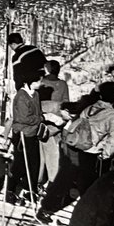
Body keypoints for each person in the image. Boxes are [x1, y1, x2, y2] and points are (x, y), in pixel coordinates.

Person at [37, 82, 114, 222]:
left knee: (65, 179)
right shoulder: (113, 116)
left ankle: (46, 209)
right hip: (90, 153)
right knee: (88, 187)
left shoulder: (90, 107)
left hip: (73, 147)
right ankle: (87, 219)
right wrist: (105, 154)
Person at [4, 49, 46, 204]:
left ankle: (30, 189)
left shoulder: (36, 94)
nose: (41, 83)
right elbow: (23, 118)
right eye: (39, 81)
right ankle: (10, 190)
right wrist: (39, 119)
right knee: (20, 164)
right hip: (22, 134)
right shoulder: (21, 96)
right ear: (31, 82)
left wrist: (39, 118)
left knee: (34, 163)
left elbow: (37, 112)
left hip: (32, 133)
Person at [37, 59, 71, 187]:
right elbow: (66, 102)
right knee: (53, 153)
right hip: (56, 123)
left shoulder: (41, 82)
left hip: (41, 120)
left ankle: (39, 179)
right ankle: (52, 179)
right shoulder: (62, 84)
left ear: (47, 69)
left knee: (40, 153)